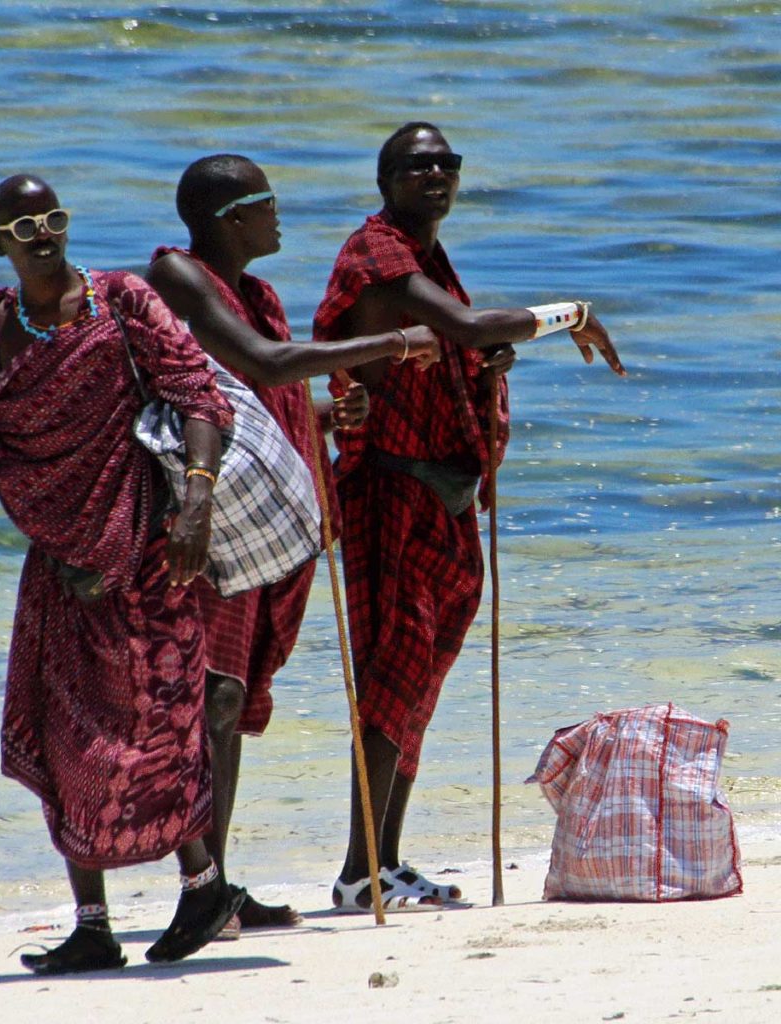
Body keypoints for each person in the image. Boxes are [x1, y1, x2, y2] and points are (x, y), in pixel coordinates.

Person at [0, 174, 247, 971]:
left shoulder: (122, 302)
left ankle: (206, 887)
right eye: (24, 224)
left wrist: (196, 502)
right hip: (58, 561)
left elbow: (199, 395)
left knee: (158, 727)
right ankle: (93, 925)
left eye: (52, 219)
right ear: (0, 243)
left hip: (150, 547)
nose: (42, 233)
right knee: (64, 734)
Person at [312, 122, 626, 911]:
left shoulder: (427, 259)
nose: (437, 175)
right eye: (418, 166)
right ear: (385, 180)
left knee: (419, 680)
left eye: (447, 164)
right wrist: (569, 313)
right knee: (389, 674)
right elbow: (468, 327)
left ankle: (387, 859)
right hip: (390, 487)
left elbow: (463, 344)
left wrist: (484, 363)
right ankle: (360, 872)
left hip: (444, 497)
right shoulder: (375, 254)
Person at [145, 154, 442, 932]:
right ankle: (201, 887)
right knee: (214, 697)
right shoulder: (180, 277)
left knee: (232, 702)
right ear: (230, 218)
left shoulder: (259, 292)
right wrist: (388, 347)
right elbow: (262, 363)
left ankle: (217, 887)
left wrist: (314, 421)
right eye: (267, 204)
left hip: (255, 518)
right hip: (200, 518)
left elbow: (255, 396)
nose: (280, 217)